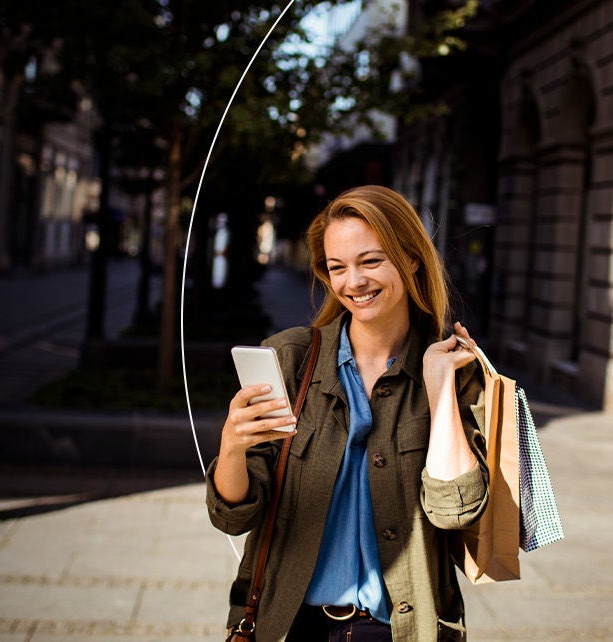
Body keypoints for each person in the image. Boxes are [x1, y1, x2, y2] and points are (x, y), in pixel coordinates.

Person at [208, 185, 488, 642]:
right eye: (337, 267)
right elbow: (232, 517)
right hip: (292, 626)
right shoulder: (289, 360)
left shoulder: (453, 371)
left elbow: (453, 512)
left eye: (371, 261)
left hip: (401, 629)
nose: (353, 282)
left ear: (412, 258)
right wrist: (233, 447)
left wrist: (438, 392)